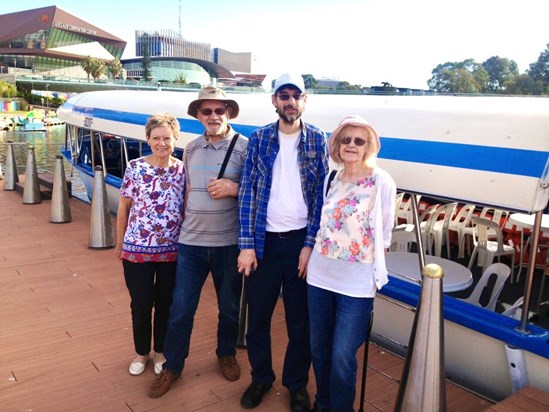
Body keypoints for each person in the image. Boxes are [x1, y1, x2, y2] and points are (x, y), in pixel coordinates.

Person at [148, 86, 247, 398]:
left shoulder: (245, 147)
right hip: (190, 242)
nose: (214, 116)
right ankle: (173, 367)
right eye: (207, 111)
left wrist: (234, 188)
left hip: (229, 242)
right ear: (199, 116)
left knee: (229, 308)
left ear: (228, 112)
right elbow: (188, 191)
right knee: (181, 308)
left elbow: (258, 192)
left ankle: (226, 353)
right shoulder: (190, 149)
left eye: (220, 110)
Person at [237, 73, 329, 411]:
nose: (290, 101)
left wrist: (310, 244)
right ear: (274, 101)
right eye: (283, 95)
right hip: (264, 244)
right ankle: (261, 377)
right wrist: (247, 244)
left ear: (305, 101)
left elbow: (321, 197)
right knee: (258, 317)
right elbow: (247, 192)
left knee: (300, 320)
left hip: (299, 245)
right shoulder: (259, 139)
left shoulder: (318, 140)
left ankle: (296, 384)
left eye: (296, 96)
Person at [307, 115, 396, 412]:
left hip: (357, 282)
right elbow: (321, 223)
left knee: (343, 354)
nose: (351, 145)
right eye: (346, 139)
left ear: (369, 146)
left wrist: (373, 275)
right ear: (337, 144)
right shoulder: (331, 178)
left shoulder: (381, 181)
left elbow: (385, 232)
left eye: (359, 141)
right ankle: (323, 402)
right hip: (320, 274)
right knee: (319, 349)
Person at [115, 113, 185, 377]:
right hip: (135, 249)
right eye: (156, 138)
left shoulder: (182, 170)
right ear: (147, 139)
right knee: (141, 302)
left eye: (167, 138)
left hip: (171, 251)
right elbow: (123, 207)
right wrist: (120, 242)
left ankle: (161, 352)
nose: (162, 143)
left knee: (166, 303)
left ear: (175, 139)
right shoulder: (135, 167)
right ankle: (141, 352)